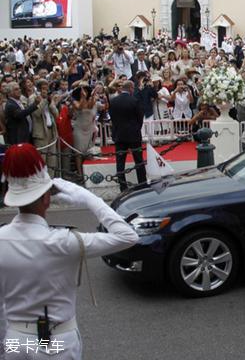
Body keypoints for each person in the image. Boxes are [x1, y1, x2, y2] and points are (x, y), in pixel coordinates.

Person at [0, 143, 139, 360]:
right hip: (57, 341)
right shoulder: (64, 242)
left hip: (17, 339)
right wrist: (89, 198)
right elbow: (127, 236)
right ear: (47, 198)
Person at [109, 80, 146, 192]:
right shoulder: (134, 101)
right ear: (130, 88)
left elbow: (112, 117)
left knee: (120, 163)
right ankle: (142, 185)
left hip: (119, 135)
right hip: (133, 135)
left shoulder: (113, 101)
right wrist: (135, 129)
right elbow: (140, 118)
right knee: (138, 161)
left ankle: (123, 187)